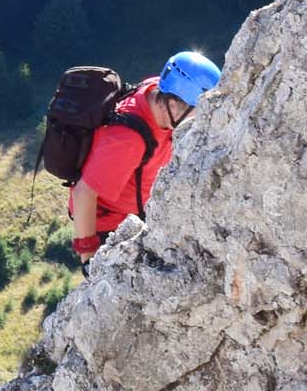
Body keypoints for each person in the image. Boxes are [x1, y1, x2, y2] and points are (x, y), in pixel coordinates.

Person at [69, 50, 221, 259]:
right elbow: (83, 194)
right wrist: (89, 260)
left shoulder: (157, 90)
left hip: (141, 211)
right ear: (174, 105)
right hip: (112, 229)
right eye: (197, 113)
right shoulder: (127, 140)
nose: (199, 121)